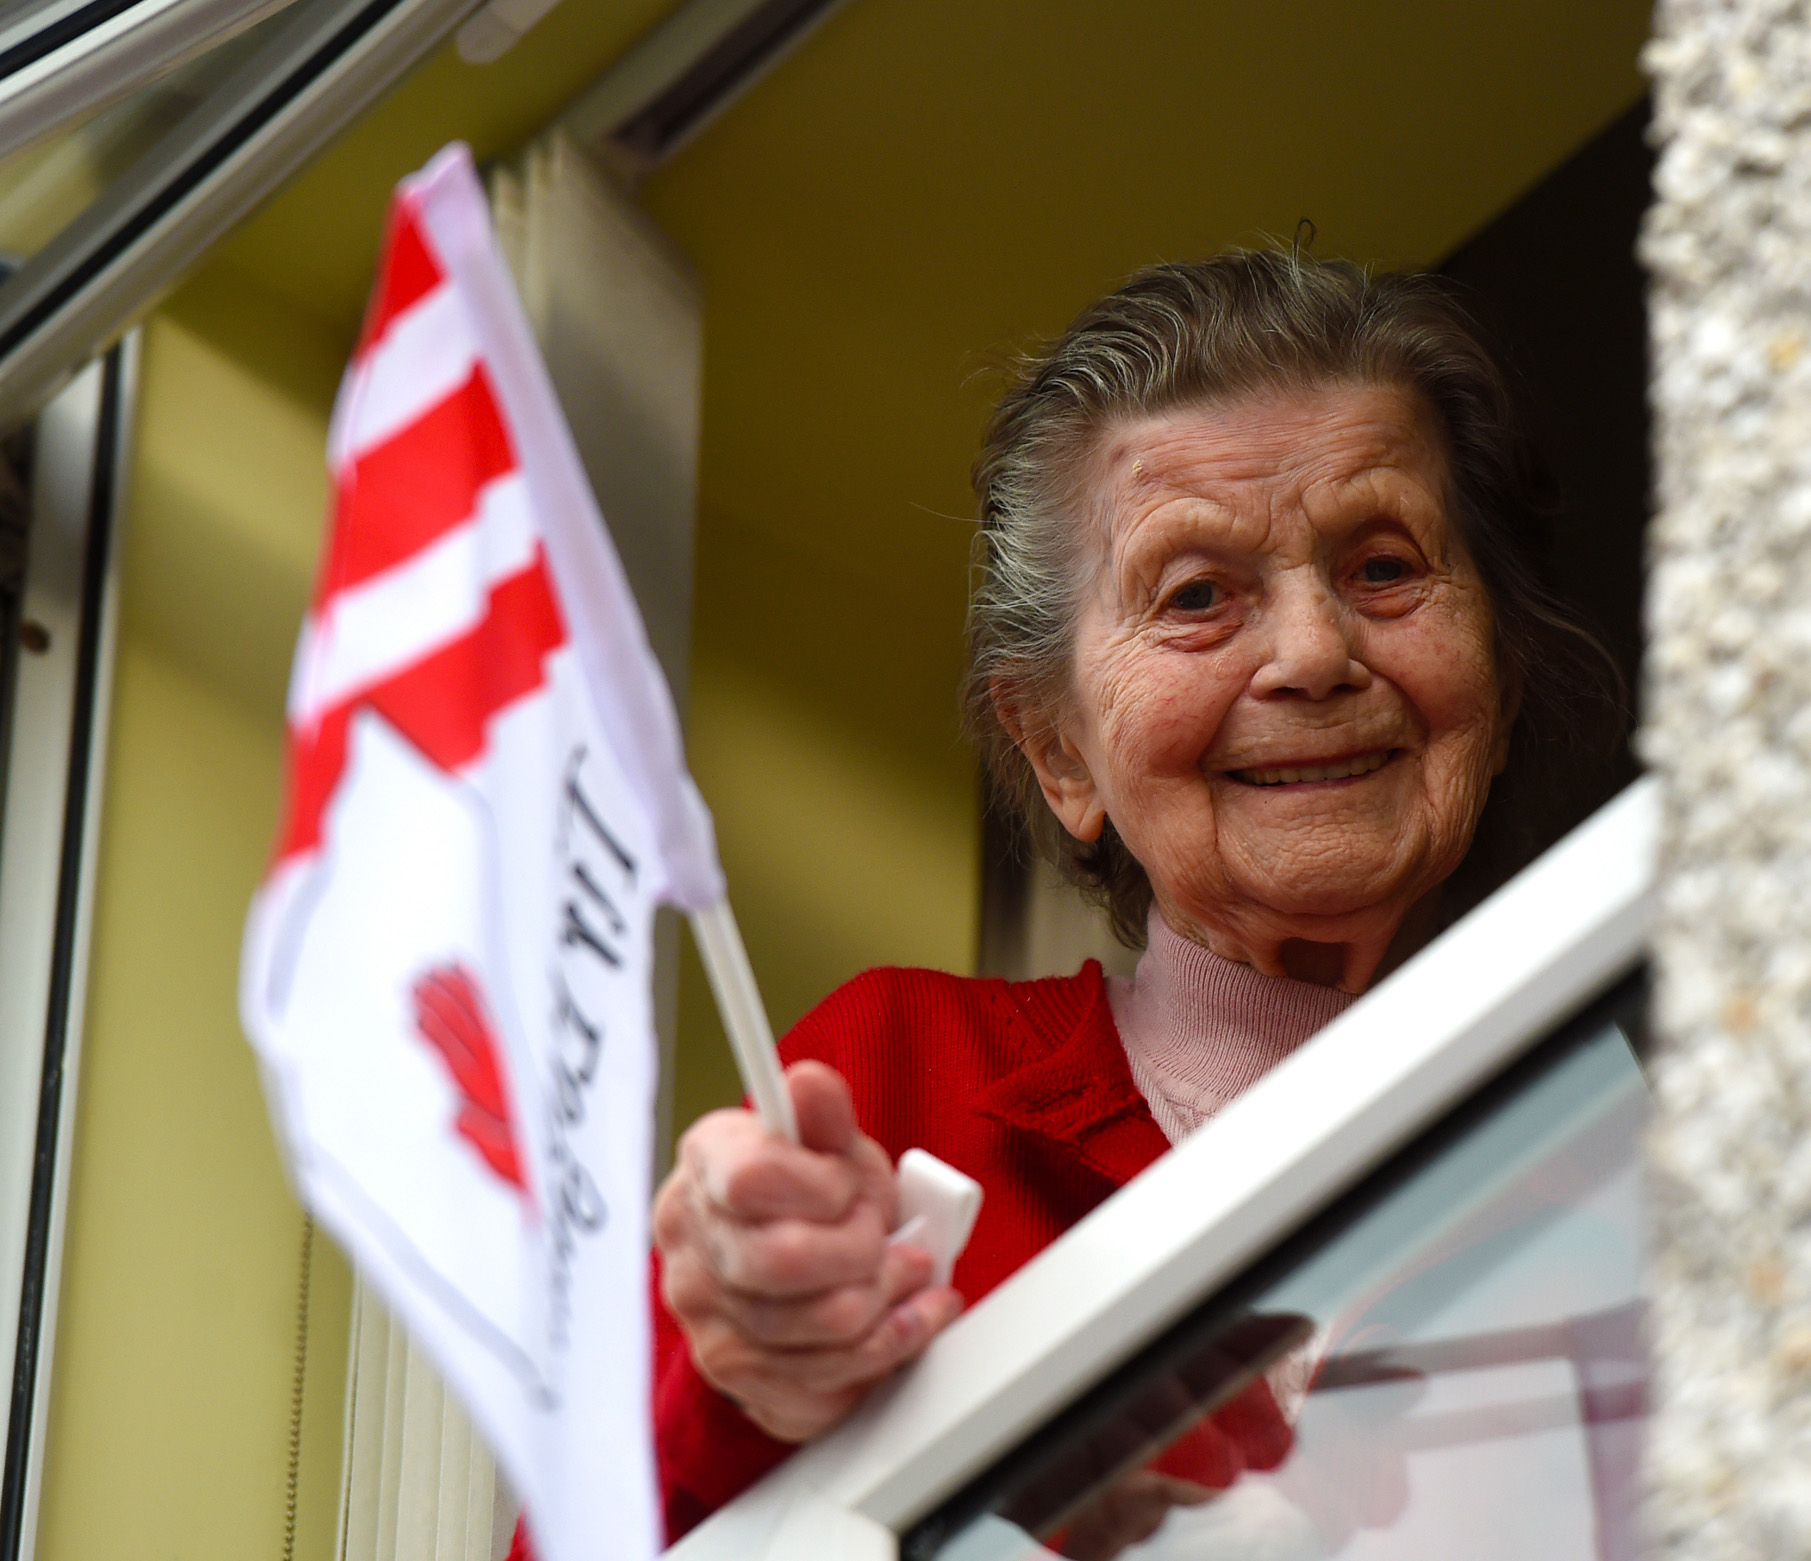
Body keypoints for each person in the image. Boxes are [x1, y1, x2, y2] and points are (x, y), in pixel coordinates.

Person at [646, 250, 1626, 1543]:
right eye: (1198, 594)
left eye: (1385, 567)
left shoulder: (1657, 1125)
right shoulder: (898, 1088)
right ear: (1059, 750)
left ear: (1494, 686)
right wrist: (743, 1377)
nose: (1315, 653)